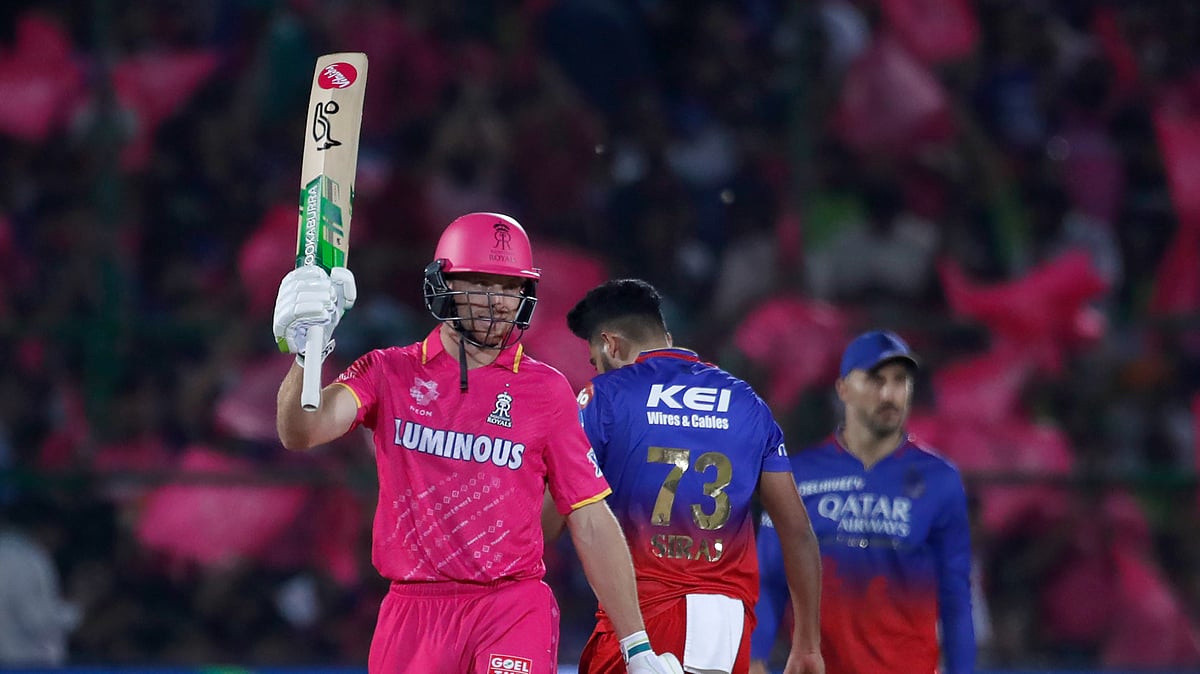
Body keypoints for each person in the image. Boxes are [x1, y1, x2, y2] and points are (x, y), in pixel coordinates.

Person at [272, 213, 682, 674]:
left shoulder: (548, 391)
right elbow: (301, 431)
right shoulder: (388, 372)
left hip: (511, 606)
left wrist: (637, 644)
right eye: (481, 284)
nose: (498, 302)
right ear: (443, 283)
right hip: (413, 614)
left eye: (510, 287)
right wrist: (307, 353)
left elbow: (588, 517)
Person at [553, 278, 824, 674]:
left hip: (644, 620)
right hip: (730, 627)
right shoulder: (748, 403)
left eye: (595, 359)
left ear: (610, 345)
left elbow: (551, 518)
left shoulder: (605, 396)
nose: (596, 369)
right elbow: (797, 531)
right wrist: (807, 644)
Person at [749, 330, 975, 674]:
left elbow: (956, 596)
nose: (889, 394)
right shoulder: (799, 476)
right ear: (842, 389)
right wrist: (755, 659)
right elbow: (769, 581)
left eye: (900, 381)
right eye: (874, 379)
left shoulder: (940, 480)